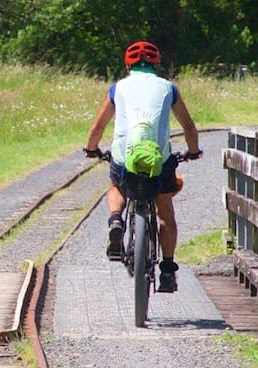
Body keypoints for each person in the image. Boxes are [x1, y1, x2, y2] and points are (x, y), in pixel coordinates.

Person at [83, 40, 201, 293]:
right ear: (156, 64)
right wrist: (193, 151)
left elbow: (98, 128)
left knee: (116, 186)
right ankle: (167, 270)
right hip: (159, 161)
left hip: (124, 159)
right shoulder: (169, 89)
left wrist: (92, 149)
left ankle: (116, 220)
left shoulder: (118, 88)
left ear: (128, 65)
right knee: (165, 211)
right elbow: (189, 127)